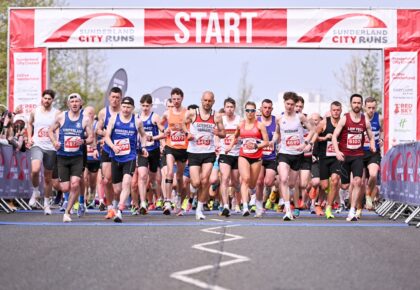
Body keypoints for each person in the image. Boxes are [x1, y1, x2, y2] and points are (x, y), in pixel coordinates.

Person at [49, 93, 93, 222]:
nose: (74, 103)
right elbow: (50, 130)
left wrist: (84, 141)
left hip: (77, 157)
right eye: (72, 101)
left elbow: (91, 137)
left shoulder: (85, 119)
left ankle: (67, 212)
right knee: (65, 188)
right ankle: (68, 201)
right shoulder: (62, 117)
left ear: (81, 103)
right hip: (62, 156)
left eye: (77, 101)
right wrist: (54, 142)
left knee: (75, 184)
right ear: (68, 104)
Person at [332, 94, 376, 222]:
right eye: (354, 103)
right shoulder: (345, 119)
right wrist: (337, 151)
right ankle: (343, 199)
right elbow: (335, 136)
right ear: (351, 104)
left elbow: (371, 135)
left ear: (361, 104)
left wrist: (372, 145)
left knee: (358, 182)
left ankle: (352, 211)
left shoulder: (364, 120)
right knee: (345, 186)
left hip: (357, 156)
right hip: (344, 156)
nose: (356, 105)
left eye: (358, 103)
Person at [104, 96, 148, 223]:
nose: (126, 109)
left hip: (130, 157)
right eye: (124, 106)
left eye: (128, 107)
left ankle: (120, 211)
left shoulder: (137, 121)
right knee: (117, 189)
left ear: (133, 108)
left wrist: (143, 147)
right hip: (116, 156)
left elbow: (143, 135)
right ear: (121, 107)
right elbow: (107, 137)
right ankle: (117, 204)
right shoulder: (114, 119)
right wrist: (113, 146)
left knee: (127, 183)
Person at [184, 91, 226, 220]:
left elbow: (224, 133)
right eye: (205, 100)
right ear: (201, 100)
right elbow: (182, 124)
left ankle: (199, 209)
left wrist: (218, 133)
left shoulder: (217, 116)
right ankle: (192, 191)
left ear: (213, 101)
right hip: (194, 152)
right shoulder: (192, 113)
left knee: (205, 180)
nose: (207, 103)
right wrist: (187, 134)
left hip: (208, 152)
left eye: (210, 101)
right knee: (196, 182)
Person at [274, 92, 314, 221]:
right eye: (288, 104)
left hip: (297, 154)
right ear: (284, 103)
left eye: (292, 104)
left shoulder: (300, 117)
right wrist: (272, 141)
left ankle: (289, 202)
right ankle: (287, 210)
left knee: (292, 184)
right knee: (283, 179)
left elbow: (313, 130)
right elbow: (276, 133)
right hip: (284, 153)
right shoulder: (279, 119)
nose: (290, 106)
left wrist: (306, 143)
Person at [226, 101, 269, 217]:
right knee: (245, 179)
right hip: (243, 155)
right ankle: (245, 207)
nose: (250, 113)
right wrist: (229, 147)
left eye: (252, 110)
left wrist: (256, 146)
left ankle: (254, 195)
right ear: (245, 112)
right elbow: (235, 137)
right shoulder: (241, 125)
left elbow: (266, 142)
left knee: (252, 184)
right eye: (248, 110)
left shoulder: (260, 125)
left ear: (255, 112)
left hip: (256, 157)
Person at [27, 89, 60, 214]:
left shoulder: (57, 113)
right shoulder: (35, 111)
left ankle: (46, 203)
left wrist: (57, 141)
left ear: (52, 100)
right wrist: (30, 138)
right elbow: (29, 124)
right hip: (37, 144)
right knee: (35, 170)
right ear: (42, 98)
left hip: (50, 147)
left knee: (47, 177)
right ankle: (35, 191)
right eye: (45, 98)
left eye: (49, 99)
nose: (46, 101)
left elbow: (58, 127)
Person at [160, 88, 189, 215]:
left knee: (180, 178)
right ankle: (167, 201)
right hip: (170, 146)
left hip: (183, 148)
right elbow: (160, 125)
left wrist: (187, 132)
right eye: (174, 99)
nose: (176, 101)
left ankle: (179, 200)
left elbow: (192, 127)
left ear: (182, 98)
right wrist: (164, 130)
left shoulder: (187, 112)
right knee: (170, 172)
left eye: (178, 99)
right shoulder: (167, 113)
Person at [136, 94, 165, 214]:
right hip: (142, 151)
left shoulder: (155, 117)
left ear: (151, 106)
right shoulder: (137, 118)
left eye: (147, 106)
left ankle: (159, 198)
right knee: (142, 176)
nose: (145, 108)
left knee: (154, 179)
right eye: (143, 105)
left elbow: (164, 133)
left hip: (154, 150)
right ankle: (143, 203)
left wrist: (153, 138)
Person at [96, 87, 122, 219]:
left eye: (117, 97)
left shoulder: (124, 112)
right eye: (113, 97)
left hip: (121, 151)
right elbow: (98, 130)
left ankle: (117, 205)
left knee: (117, 183)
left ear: (120, 99)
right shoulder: (103, 112)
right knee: (106, 181)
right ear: (109, 98)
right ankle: (110, 207)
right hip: (107, 149)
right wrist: (104, 133)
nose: (115, 100)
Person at [316, 101, 343, 219]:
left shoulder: (343, 123)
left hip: (336, 158)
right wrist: (324, 137)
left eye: (338, 110)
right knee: (324, 185)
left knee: (335, 180)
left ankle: (328, 207)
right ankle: (318, 202)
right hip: (324, 158)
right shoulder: (324, 123)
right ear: (330, 111)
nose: (336, 112)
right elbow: (314, 136)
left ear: (341, 111)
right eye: (334, 110)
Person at [217, 98, 241, 217]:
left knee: (236, 182)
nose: (229, 109)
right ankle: (226, 206)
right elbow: (217, 133)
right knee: (225, 178)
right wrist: (217, 144)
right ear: (224, 108)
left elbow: (241, 135)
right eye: (227, 107)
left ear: (234, 108)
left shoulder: (239, 120)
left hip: (236, 154)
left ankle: (237, 202)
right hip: (224, 153)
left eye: (231, 107)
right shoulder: (221, 120)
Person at [255, 99, 277, 217]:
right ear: (261, 108)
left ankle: (269, 197)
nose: (267, 110)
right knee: (259, 182)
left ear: (272, 109)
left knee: (268, 182)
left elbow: (279, 134)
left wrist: (274, 140)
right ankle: (259, 205)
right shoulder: (256, 121)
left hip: (272, 156)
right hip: (259, 156)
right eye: (265, 107)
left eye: (269, 108)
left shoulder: (276, 121)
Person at [362, 97, 383, 210]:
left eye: (373, 108)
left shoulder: (379, 118)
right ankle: (356, 206)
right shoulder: (359, 118)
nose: (371, 110)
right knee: (359, 181)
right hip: (360, 152)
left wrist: (382, 139)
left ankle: (368, 194)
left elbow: (382, 131)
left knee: (374, 175)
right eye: (369, 108)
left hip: (373, 152)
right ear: (365, 107)